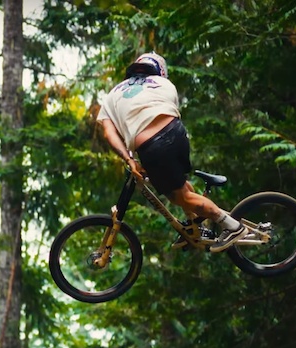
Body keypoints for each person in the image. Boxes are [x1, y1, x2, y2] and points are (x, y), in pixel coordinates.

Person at [96, 52, 247, 252]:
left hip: (152, 147)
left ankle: (233, 226)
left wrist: (129, 158)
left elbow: (109, 132)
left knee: (179, 197)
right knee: (180, 186)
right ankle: (195, 226)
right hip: (177, 134)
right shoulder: (165, 84)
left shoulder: (113, 94)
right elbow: (168, 113)